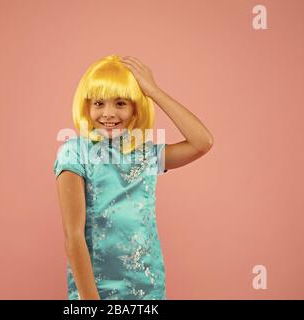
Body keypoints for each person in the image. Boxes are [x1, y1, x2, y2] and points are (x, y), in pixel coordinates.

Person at [54, 54, 214, 300]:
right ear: (86, 106)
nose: (108, 113)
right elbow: (73, 236)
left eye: (120, 103)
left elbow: (202, 143)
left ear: (135, 108)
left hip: (147, 288)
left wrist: (153, 91)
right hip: (96, 290)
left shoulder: (145, 154)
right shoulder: (74, 152)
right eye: (99, 103)